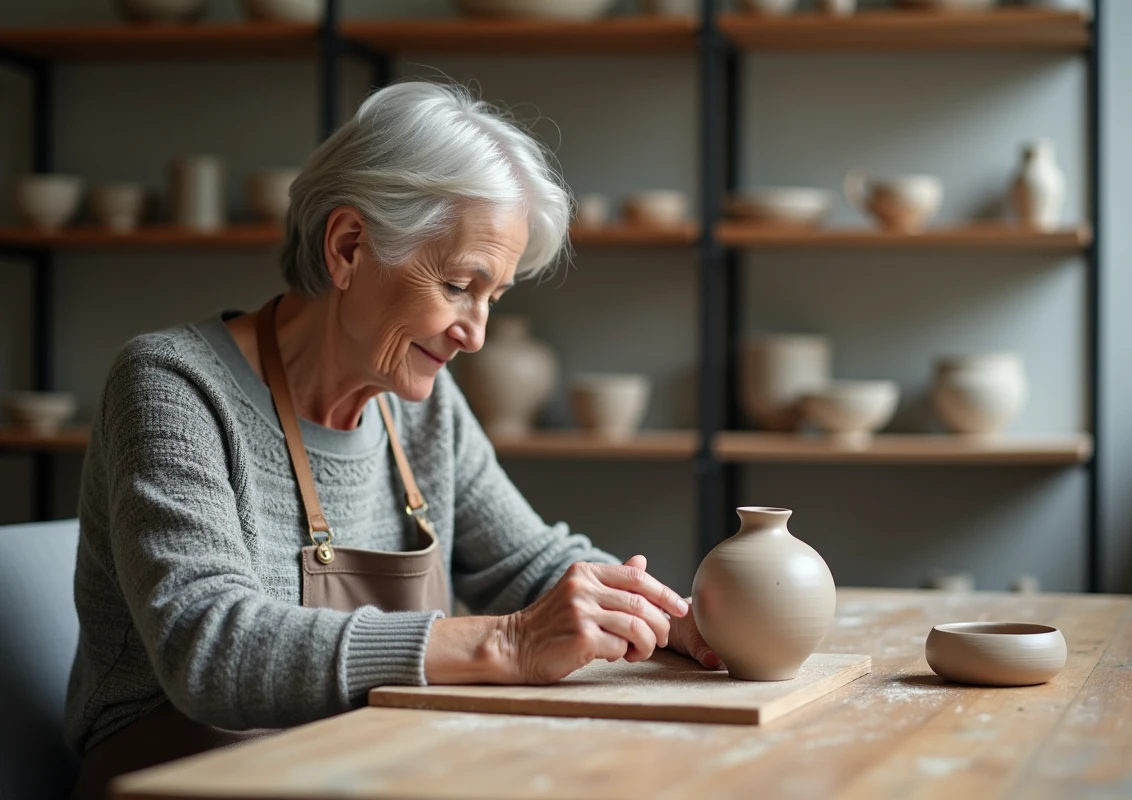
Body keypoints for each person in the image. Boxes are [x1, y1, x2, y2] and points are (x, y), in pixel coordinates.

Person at [65, 81, 719, 799]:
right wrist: (507, 643)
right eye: (459, 286)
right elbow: (213, 648)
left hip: (362, 765)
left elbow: (531, 563)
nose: (475, 334)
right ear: (348, 247)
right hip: (184, 777)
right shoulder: (172, 387)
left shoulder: (419, 407)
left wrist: (678, 621)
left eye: (492, 298)